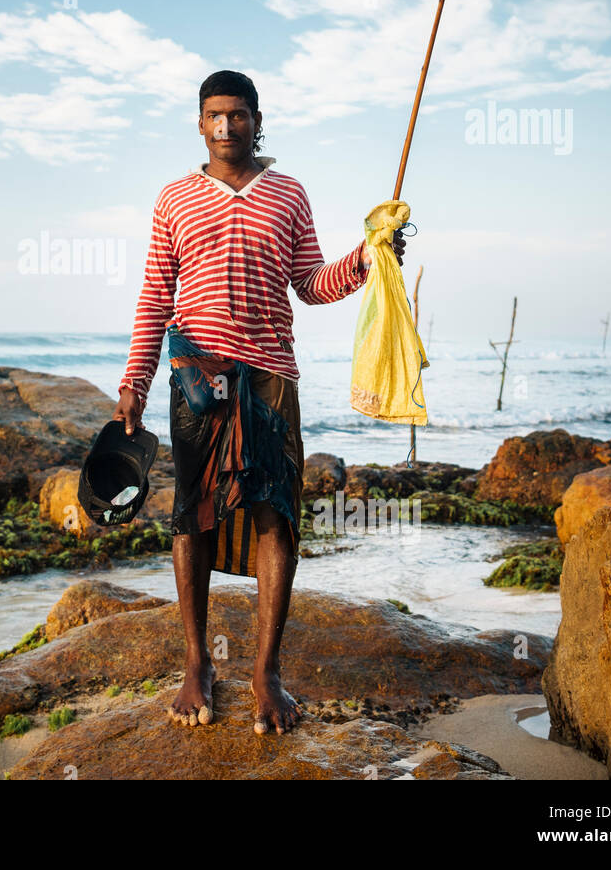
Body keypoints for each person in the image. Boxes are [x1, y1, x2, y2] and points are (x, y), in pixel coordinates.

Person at [113, 70, 406, 736]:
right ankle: (197, 665)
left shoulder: (288, 194)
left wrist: (370, 258)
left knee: (277, 516)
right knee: (193, 515)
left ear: (257, 120)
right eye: (213, 116)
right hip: (196, 371)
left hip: (270, 374)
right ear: (199, 124)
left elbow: (311, 282)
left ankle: (265, 674)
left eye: (237, 115)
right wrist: (135, 380)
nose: (225, 127)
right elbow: (156, 297)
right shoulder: (175, 199)